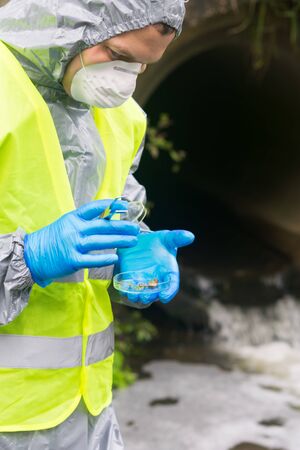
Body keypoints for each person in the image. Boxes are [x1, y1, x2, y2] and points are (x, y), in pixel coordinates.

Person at [0, 1, 194, 449]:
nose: (125, 78)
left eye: (142, 65)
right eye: (117, 54)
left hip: (86, 414)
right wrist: (25, 259)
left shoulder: (122, 118)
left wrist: (136, 248)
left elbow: (120, 206)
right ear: (71, 21)